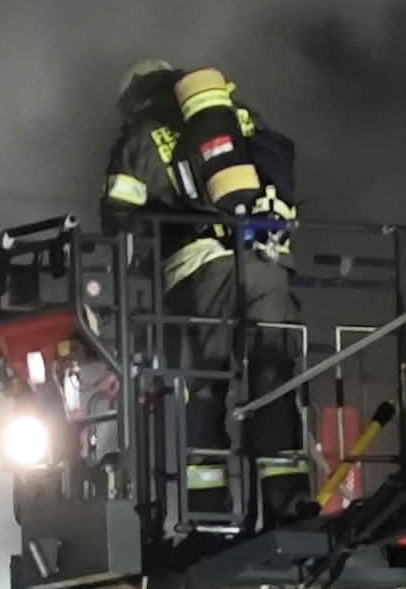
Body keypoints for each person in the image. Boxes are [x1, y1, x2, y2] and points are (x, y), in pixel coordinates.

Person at [100, 59, 310, 527]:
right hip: (267, 261)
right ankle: (288, 504)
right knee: (274, 376)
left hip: (199, 271)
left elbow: (118, 215)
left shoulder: (142, 136)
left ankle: (210, 511)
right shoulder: (235, 116)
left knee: (204, 384)